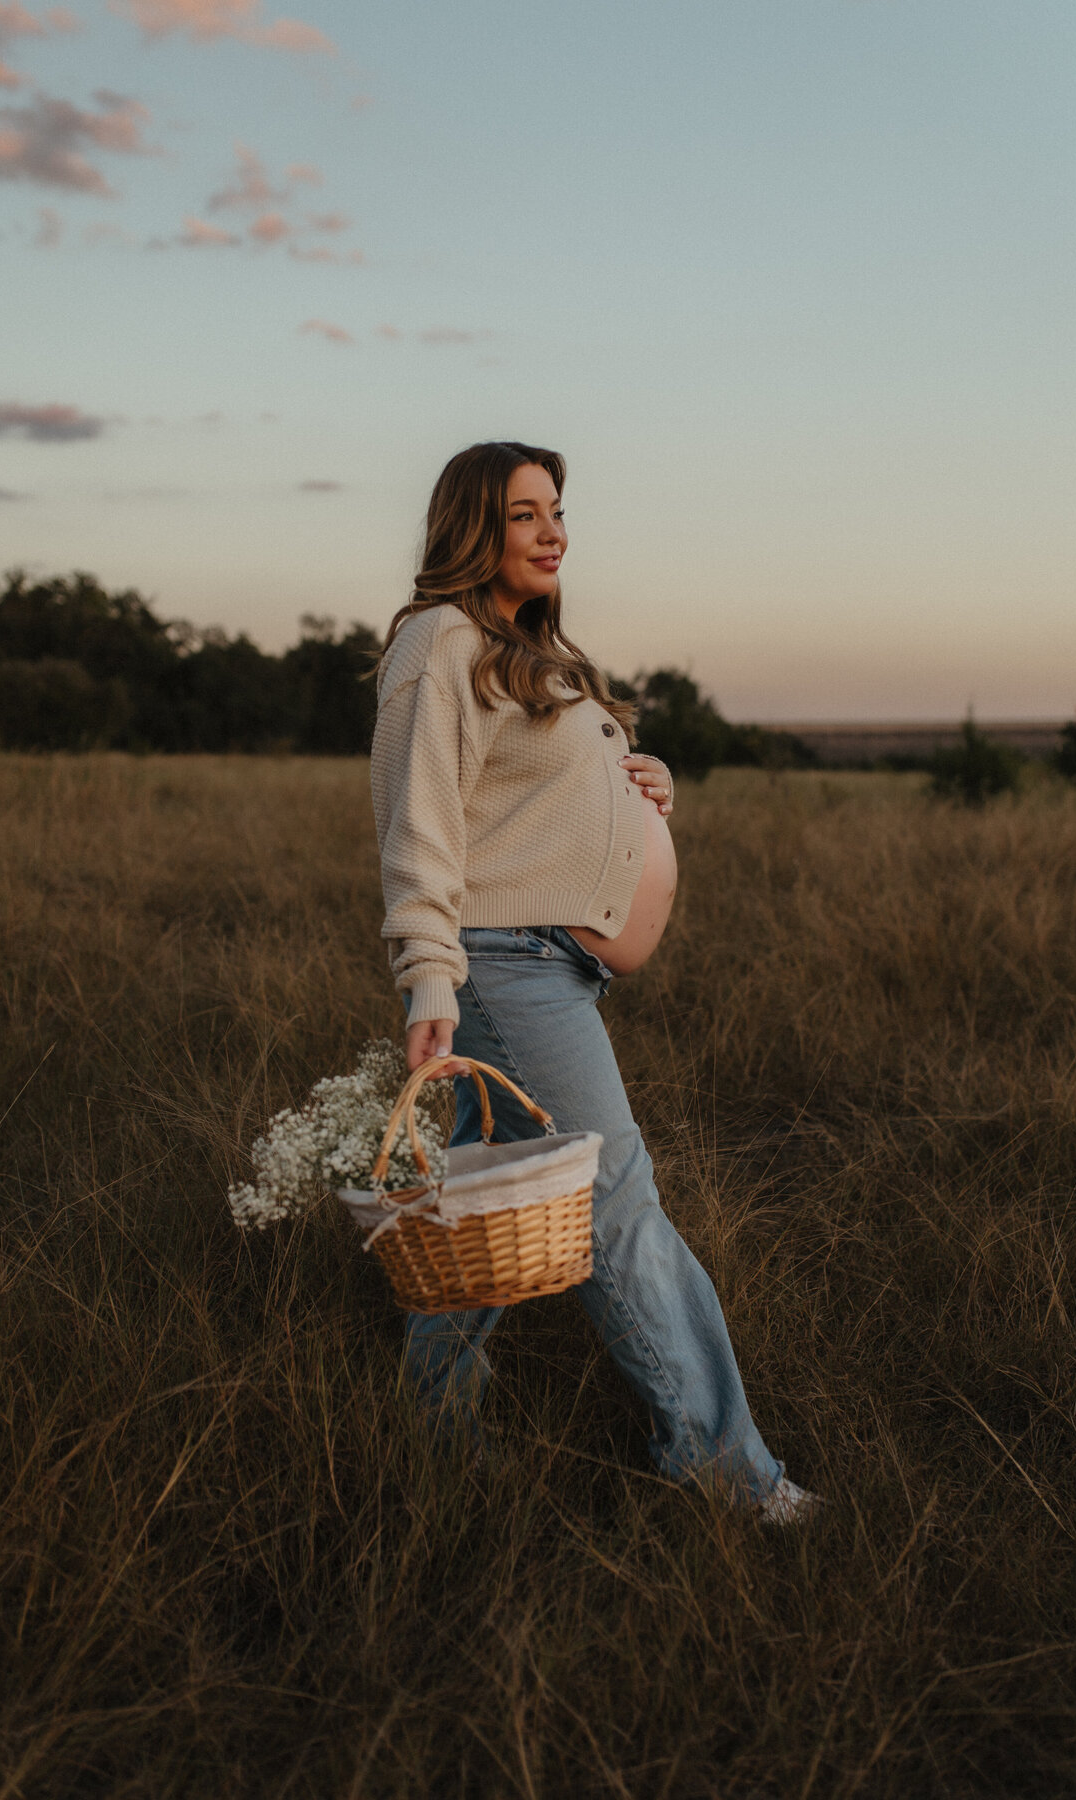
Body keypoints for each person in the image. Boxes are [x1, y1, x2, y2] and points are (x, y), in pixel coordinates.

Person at [370, 440, 819, 1524]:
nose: (553, 529)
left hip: (541, 968)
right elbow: (420, 823)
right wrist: (431, 979)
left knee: (476, 1211)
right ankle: (725, 1473)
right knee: (617, 1209)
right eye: (525, 514)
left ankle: (432, 1439)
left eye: (558, 510)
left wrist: (636, 783)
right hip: (507, 972)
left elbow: (529, 803)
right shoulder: (439, 641)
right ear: (475, 528)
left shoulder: (517, 648)